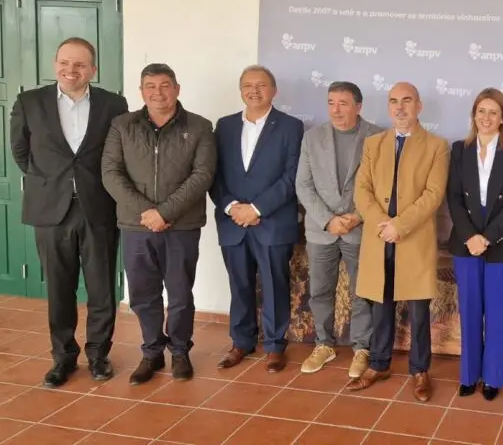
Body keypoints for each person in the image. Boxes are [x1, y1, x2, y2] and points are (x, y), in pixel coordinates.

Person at [9, 37, 129, 387]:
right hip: (51, 210)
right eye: (64, 62)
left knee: (101, 287)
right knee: (59, 289)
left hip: (98, 207)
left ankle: (98, 355)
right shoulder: (29, 102)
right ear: (55, 64)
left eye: (79, 64)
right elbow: (20, 151)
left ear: (93, 69)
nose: (70, 70)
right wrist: (52, 182)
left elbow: (119, 153)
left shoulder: (113, 104)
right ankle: (63, 358)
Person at [101, 63, 216, 385]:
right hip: (136, 226)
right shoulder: (122, 125)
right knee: (142, 293)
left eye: (165, 85)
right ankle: (152, 352)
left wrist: (165, 213)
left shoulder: (200, 126)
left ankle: (179, 351)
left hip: (181, 226)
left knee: (179, 294)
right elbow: (110, 173)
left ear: (177, 89)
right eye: (150, 86)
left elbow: (202, 175)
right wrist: (147, 212)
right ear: (141, 92)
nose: (158, 92)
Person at [345, 82, 449, 402]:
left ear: (419, 106)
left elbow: (433, 195)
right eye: (394, 101)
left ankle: (419, 370)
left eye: (406, 100)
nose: (400, 107)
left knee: (418, 311)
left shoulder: (436, 146)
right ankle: (379, 364)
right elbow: (362, 190)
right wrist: (383, 225)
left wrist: (399, 226)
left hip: (413, 238)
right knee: (381, 305)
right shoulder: (373, 144)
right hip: (380, 239)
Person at [210, 65, 304, 373]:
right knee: (239, 285)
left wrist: (257, 209)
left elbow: (292, 176)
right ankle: (241, 341)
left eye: (261, 85)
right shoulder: (224, 126)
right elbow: (212, 173)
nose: (254, 91)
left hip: (272, 221)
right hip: (233, 222)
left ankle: (275, 346)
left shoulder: (291, 127)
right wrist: (231, 207)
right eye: (247, 85)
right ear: (241, 91)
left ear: (273, 91)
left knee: (275, 285)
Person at [296, 81, 383, 377]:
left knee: (362, 291)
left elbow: (383, 186)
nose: (336, 110)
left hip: (360, 228)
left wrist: (358, 216)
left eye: (343, 103)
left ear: (358, 106)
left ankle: (362, 347)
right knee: (320, 290)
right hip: (322, 230)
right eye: (331, 103)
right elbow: (303, 185)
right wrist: (328, 220)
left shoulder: (377, 137)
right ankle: (324, 344)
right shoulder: (312, 138)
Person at [446, 88, 503, 401]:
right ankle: (469, 375)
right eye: (481, 111)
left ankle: (492, 377)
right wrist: (470, 236)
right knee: (469, 310)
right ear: (474, 115)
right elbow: (453, 197)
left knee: (497, 313)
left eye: (493, 112)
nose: (486, 117)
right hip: (466, 239)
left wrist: (488, 237)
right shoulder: (459, 149)